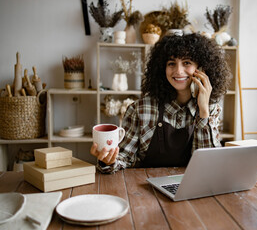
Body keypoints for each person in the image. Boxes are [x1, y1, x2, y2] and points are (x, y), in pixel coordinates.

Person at [90, 32, 232, 173]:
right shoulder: (140, 109)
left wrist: (203, 111)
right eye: (171, 63)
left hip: (190, 188)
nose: (178, 70)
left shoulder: (210, 110)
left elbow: (209, 165)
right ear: (161, 69)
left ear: (202, 69)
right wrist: (109, 161)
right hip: (144, 187)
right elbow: (125, 157)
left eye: (187, 63)